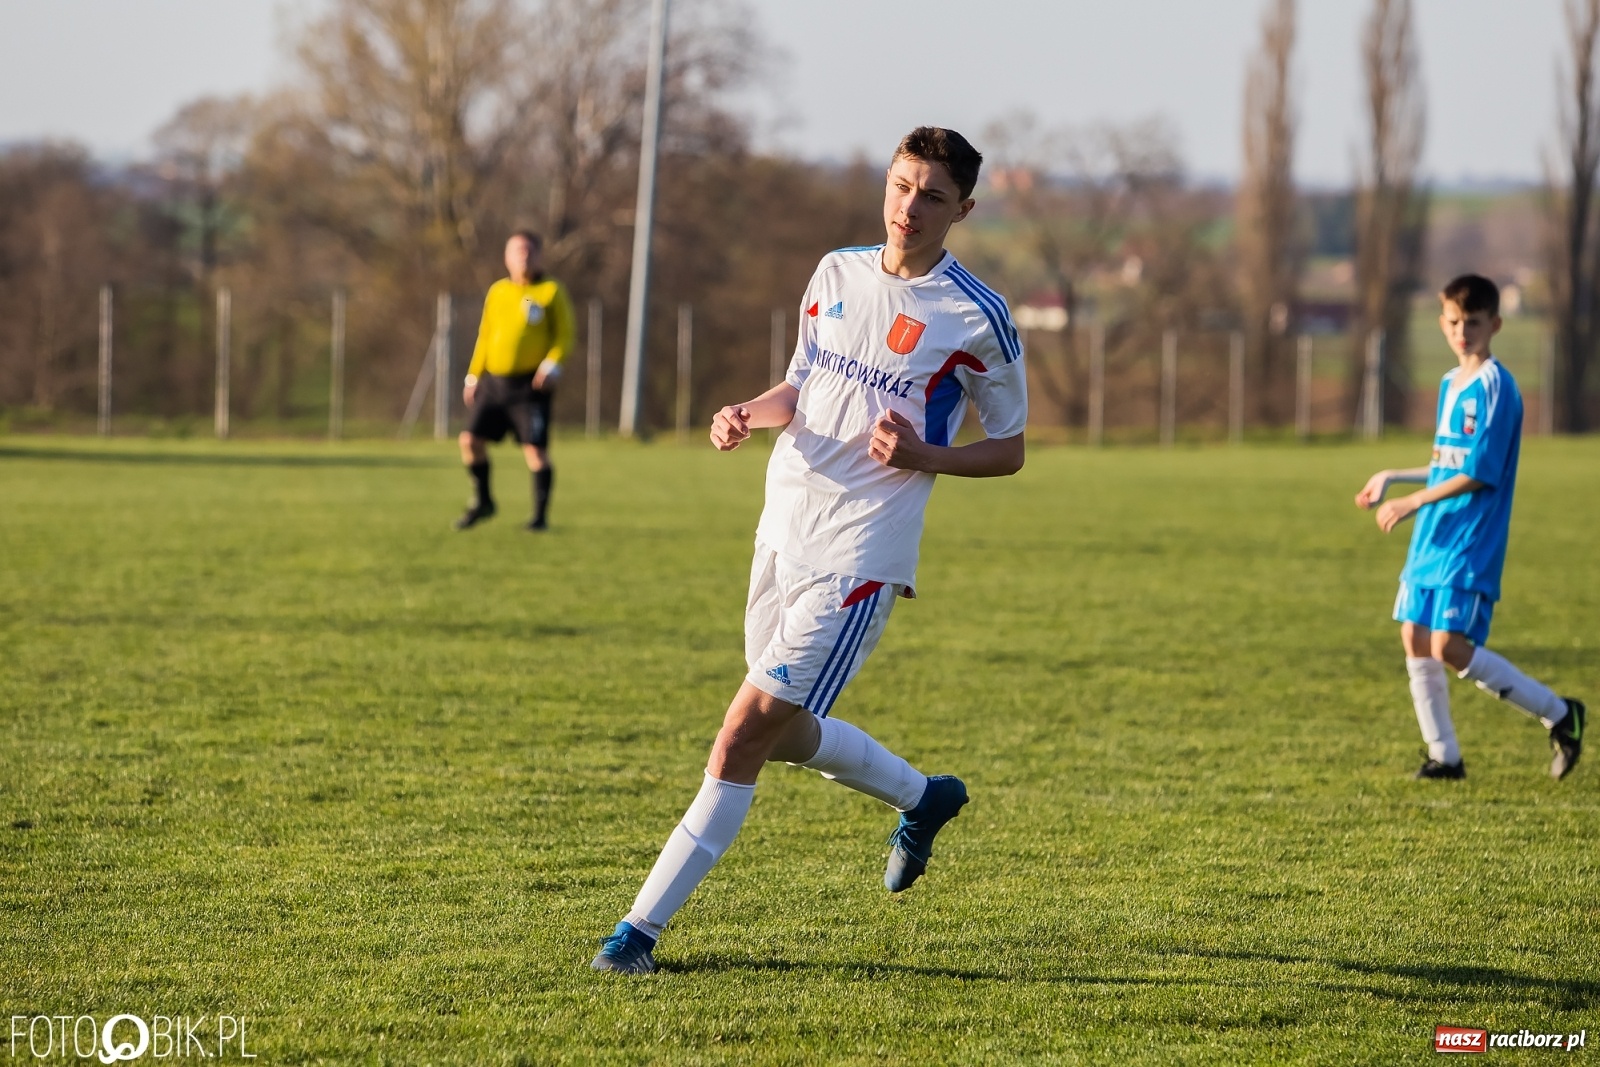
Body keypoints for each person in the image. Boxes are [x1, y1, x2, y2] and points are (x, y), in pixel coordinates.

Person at [590, 127, 1028, 976]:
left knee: (740, 735)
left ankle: (636, 934)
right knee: (781, 733)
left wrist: (925, 455)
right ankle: (923, 796)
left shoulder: (977, 315)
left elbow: (1009, 448)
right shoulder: (833, 272)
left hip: (863, 552)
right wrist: (749, 412)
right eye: (901, 185)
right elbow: (802, 381)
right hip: (781, 526)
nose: (910, 207)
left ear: (963, 210)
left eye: (932, 196)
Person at [1355, 273, 1584, 781]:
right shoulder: (1448, 384)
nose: (1463, 332)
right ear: (1442, 323)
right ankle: (1445, 756)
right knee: (1414, 637)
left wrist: (1416, 499)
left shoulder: (1496, 386)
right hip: (1433, 535)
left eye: (1474, 323)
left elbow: (1478, 471)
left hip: (1469, 540)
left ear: (1494, 324)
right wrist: (1395, 475)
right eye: (1455, 322)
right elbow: (1444, 463)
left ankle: (1561, 714)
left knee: (1449, 647)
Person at [454, 230, 576, 531]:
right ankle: (483, 501)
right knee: (469, 441)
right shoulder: (498, 291)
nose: (523, 256)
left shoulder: (550, 291)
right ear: (507, 258)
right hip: (494, 384)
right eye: (517, 251)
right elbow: (485, 336)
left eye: (529, 250)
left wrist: (552, 365)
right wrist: (473, 376)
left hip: (529, 387)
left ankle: (539, 517)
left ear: (538, 255)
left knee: (535, 451)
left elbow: (566, 335)